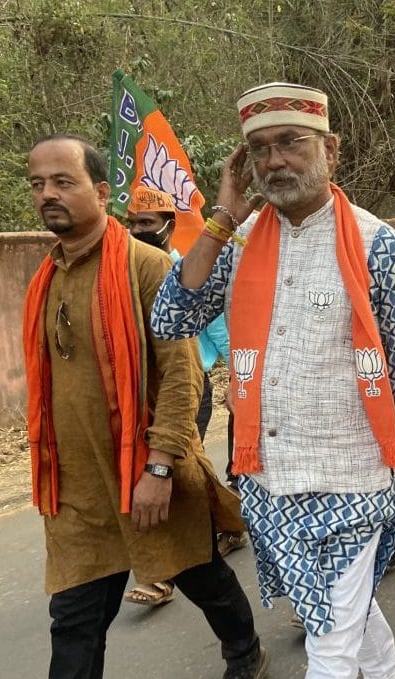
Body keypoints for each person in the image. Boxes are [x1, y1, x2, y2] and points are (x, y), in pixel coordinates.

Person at [150, 82, 395, 679]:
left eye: (291, 143)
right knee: (339, 612)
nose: (276, 161)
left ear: (330, 151)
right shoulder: (237, 241)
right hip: (267, 478)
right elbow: (170, 318)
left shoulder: (376, 246)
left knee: (330, 640)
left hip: (352, 477)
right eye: (260, 150)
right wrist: (221, 214)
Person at [23, 135, 265, 679]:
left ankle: (246, 653)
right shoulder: (45, 279)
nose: (48, 194)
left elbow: (184, 375)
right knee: (74, 619)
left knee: (199, 574)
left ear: (101, 193)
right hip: (78, 487)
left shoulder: (146, 266)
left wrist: (159, 464)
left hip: (149, 467)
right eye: (37, 184)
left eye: (63, 181)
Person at [122, 186, 249, 609]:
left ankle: (163, 575)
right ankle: (229, 520)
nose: (138, 231)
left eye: (147, 223)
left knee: (171, 475)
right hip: (144, 393)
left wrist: (236, 377)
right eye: (132, 223)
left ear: (169, 226)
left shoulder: (186, 273)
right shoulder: (126, 275)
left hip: (189, 387)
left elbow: (221, 333)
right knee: (184, 475)